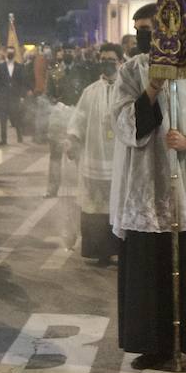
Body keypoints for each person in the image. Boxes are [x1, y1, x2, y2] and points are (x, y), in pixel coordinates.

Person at [112, 3, 186, 373]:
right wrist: (153, 86)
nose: (143, 36)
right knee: (151, 269)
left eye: (149, 28)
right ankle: (154, 345)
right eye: (139, 30)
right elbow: (122, 122)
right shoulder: (131, 70)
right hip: (149, 184)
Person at [66, 43, 124, 266]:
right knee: (95, 206)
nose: (106, 62)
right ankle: (99, 251)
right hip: (94, 157)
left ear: (120, 61)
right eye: (103, 59)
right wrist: (72, 140)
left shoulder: (127, 89)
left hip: (118, 159)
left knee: (116, 204)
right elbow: (78, 121)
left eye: (111, 59)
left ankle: (119, 249)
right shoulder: (90, 91)